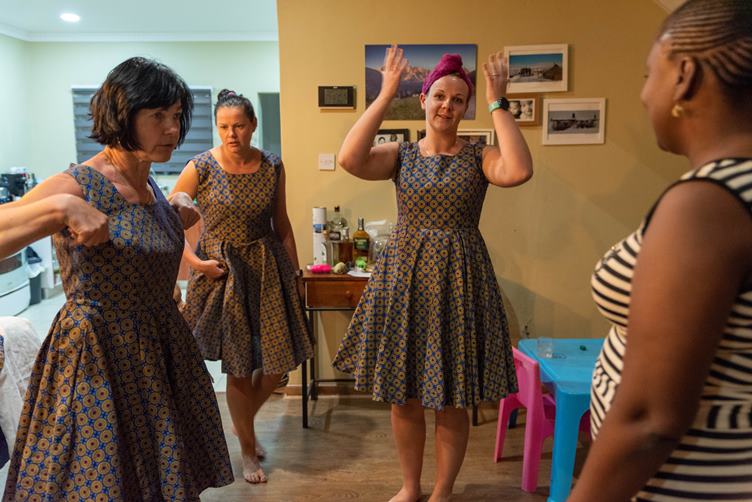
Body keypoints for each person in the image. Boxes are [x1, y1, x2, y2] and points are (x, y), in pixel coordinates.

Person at [0, 57, 234, 501]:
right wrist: (59, 209)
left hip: (159, 354)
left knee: (161, 480)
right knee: (101, 482)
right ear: (122, 114)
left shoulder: (148, 181)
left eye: (176, 116)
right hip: (98, 359)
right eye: (158, 116)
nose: (172, 129)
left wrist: (175, 207)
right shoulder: (78, 184)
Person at [332, 45, 533, 502]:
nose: (447, 106)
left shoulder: (480, 156)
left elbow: (519, 169)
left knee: (452, 397)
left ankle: (442, 491)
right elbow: (349, 159)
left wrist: (498, 102)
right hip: (404, 281)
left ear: (466, 108)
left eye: (458, 100)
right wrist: (386, 94)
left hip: (460, 282)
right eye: (439, 96)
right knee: (404, 395)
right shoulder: (400, 155)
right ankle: (410, 486)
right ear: (423, 99)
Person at [569, 1, 752, 500]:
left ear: (685, 77)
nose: (644, 92)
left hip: (694, 484)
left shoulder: (707, 204)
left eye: (651, 74)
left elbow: (651, 419)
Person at [171, 89, 313, 484]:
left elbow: (282, 223)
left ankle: (242, 420)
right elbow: (168, 219)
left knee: (277, 364)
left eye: (238, 126)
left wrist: (295, 273)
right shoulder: (201, 166)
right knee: (238, 368)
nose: (231, 134)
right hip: (223, 273)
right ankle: (248, 453)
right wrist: (196, 263)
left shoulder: (272, 165)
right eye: (223, 127)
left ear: (253, 125)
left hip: (267, 269)